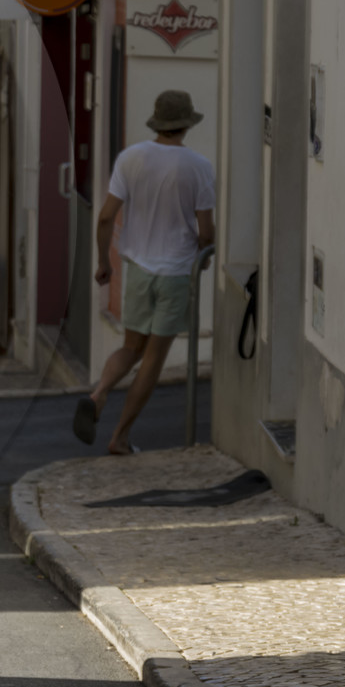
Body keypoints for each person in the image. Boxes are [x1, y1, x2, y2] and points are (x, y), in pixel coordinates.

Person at [75, 90, 215, 455]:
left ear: (157, 122)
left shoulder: (130, 158)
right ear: (186, 124)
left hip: (136, 268)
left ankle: (99, 391)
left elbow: (106, 216)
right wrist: (207, 254)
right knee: (152, 359)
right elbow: (206, 232)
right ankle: (120, 437)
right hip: (175, 273)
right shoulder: (199, 167)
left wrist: (104, 262)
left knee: (131, 347)